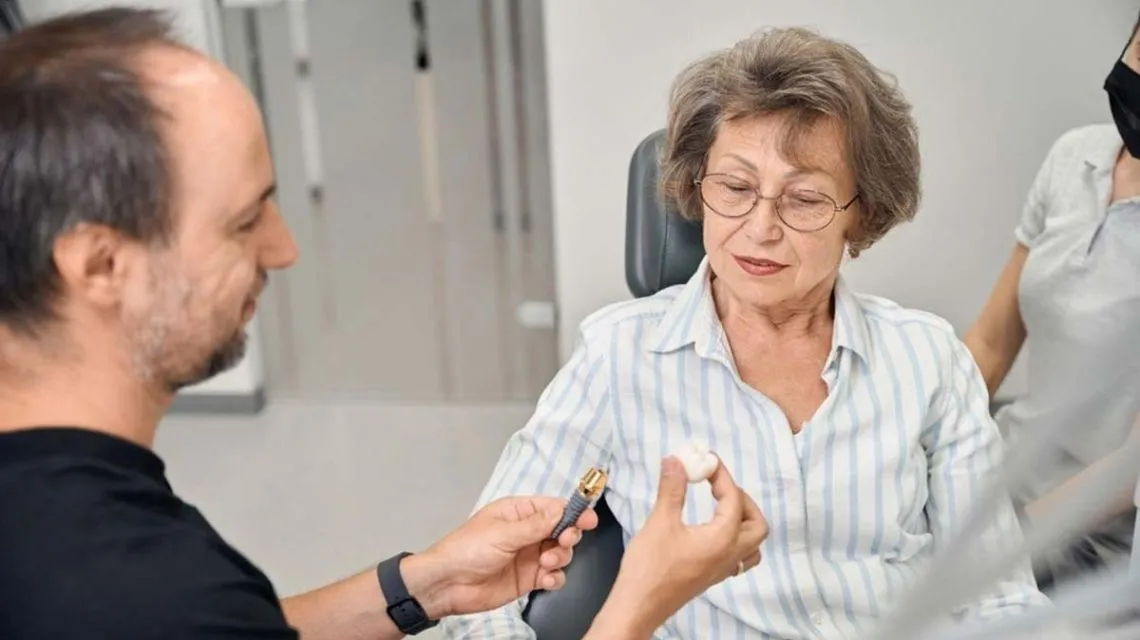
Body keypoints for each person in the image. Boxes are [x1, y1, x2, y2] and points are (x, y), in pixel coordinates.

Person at [0, 8, 768, 640]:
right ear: (101, 265)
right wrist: (642, 599)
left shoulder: (89, 539)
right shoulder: (127, 586)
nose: (284, 249)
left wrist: (424, 585)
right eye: (243, 221)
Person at [444, 26, 1050, 640]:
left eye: (804, 199)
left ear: (862, 211)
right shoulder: (618, 355)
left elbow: (1001, 599)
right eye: (735, 188)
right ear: (696, 184)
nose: (761, 229)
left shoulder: (928, 358)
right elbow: (478, 594)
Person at [964, 11, 1140, 592]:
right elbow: (991, 343)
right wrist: (921, 437)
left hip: (1091, 543)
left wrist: (1011, 537)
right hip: (999, 474)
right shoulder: (1074, 157)